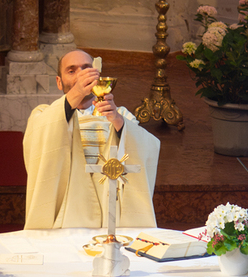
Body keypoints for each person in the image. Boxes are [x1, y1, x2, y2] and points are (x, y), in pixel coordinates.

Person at [23, 49, 160, 229]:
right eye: (72, 71)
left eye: (86, 68)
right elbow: (37, 141)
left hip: (112, 215)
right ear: (59, 81)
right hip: (67, 215)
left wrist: (118, 122)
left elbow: (148, 148)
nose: (81, 75)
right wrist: (76, 93)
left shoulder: (121, 116)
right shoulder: (44, 116)